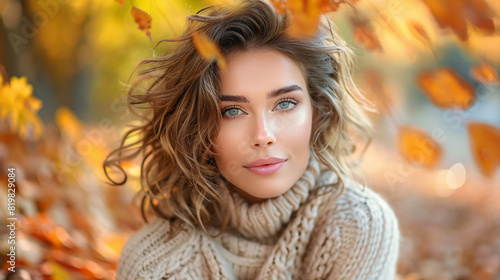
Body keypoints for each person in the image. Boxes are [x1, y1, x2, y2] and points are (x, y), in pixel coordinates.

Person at [104, 0, 400, 279]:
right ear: (198, 131)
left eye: (285, 104)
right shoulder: (153, 263)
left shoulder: (360, 225)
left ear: (318, 112)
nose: (262, 136)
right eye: (233, 111)